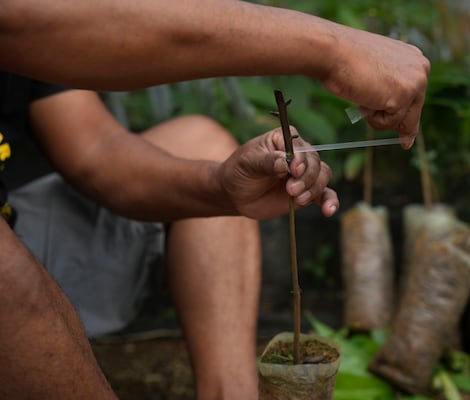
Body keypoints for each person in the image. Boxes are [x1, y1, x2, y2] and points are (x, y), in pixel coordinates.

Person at [0, 1, 430, 399]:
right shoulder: (29, 23)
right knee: (7, 272)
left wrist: (221, 186)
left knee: (203, 144)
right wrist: (331, 48)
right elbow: (26, 22)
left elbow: (96, 155)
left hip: (25, 228)